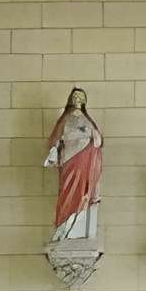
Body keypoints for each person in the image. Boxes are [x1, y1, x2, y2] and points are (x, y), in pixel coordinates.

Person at [44, 86, 103, 243]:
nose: (78, 100)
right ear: (71, 99)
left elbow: (98, 141)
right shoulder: (65, 119)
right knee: (68, 190)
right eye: (75, 97)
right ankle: (64, 224)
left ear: (84, 100)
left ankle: (77, 225)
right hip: (69, 161)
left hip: (85, 161)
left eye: (80, 97)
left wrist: (92, 138)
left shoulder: (88, 120)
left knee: (83, 190)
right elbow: (55, 139)